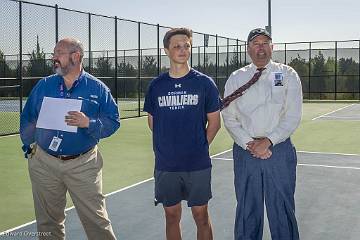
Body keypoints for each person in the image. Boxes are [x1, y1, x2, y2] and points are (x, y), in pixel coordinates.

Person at [20, 38, 119, 240]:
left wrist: (88, 123)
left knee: (97, 221)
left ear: (76, 56)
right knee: (48, 223)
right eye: (54, 53)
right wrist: (29, 145)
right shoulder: (44, 85)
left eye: (59, 53)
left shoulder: (98, 89)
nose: (54, 57)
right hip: (44, 164)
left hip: (83, 165)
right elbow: (27, 117)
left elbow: (113, 122)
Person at [221, 28, 302, 240]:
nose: (261, 47)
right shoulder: (237, 78)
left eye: (265, 43)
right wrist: (250, 143)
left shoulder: (287, 74)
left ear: (272, 47)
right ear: (248, 48)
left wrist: (268, 141)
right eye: (256, 43)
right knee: (247, 210)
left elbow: (292, 116)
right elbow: (229, 117)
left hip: (279, 150)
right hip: (245, 152)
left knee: (282, 210)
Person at [143, 28, 221, 240]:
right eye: (176, 46)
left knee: (201, 215)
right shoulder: (156, 86)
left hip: (197, 163)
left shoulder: (204, 83)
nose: (182, 49)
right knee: (171, 215)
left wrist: (199, 146)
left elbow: (214, 122)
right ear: (166, 50)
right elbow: (153, 123)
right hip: (166, 164)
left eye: (186, 45)